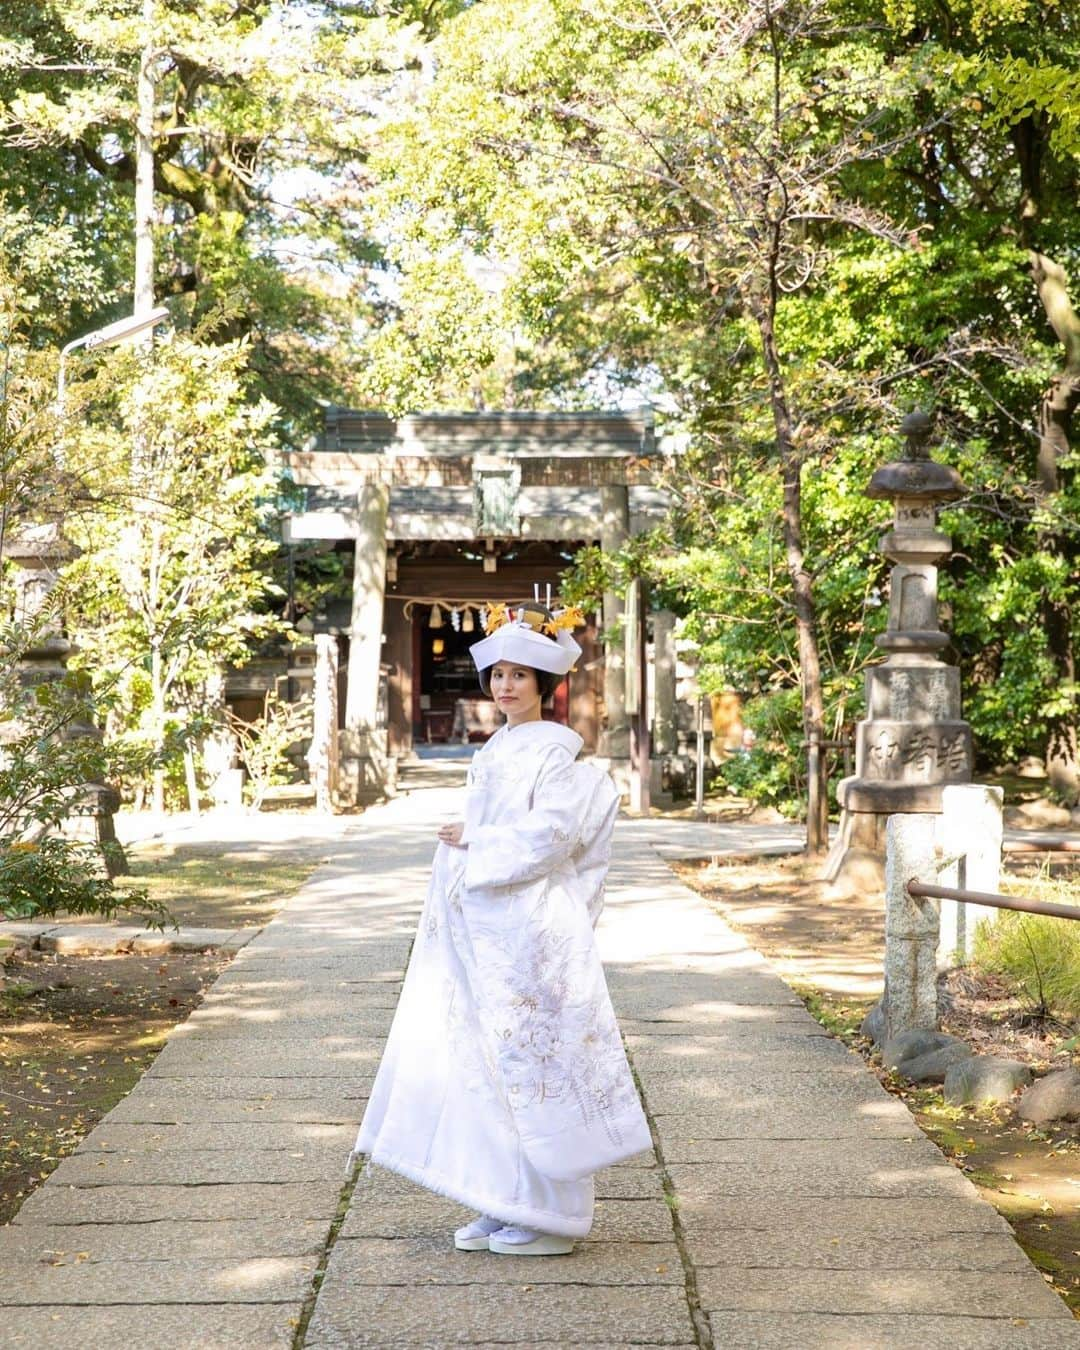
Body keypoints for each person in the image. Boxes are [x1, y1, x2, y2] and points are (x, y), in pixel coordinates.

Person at [350, 598, 651, 1256]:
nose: (505, 686)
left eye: (520, 675)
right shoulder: (501, 749)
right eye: (498, 674)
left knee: (535, 1058)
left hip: (532, 926)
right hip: (487, 918)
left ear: (546, 686)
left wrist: (475, 837)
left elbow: (550, 837)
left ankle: (552, 1215)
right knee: (487, 1060)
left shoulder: (557, 757)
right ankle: (501, 1194)